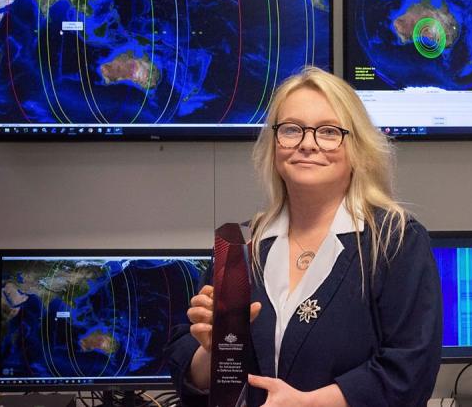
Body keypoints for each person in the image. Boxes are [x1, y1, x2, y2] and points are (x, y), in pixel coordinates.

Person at [166, 67, 442, 406]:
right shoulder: (242, 245)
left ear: (358, 148)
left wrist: (308, 403)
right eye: (291, 130)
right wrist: (215, 348)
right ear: (274, 145)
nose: (307, 144)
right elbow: (189, 372)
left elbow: (411, 370)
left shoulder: (395, 241)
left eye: (328, 132)